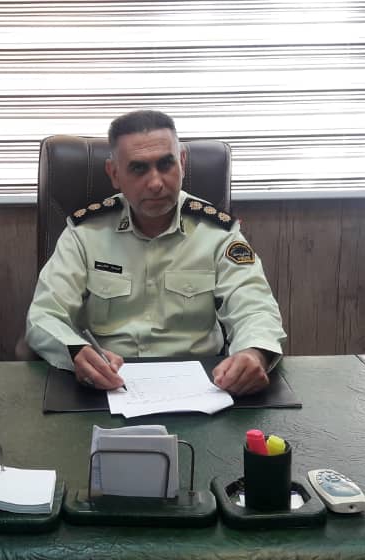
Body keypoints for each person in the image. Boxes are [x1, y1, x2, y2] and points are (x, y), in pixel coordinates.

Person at [25, 110, 287, 395]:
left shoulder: (218, 232)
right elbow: (45, 315)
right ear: (114, 174)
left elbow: (254, 306)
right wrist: (75, 351)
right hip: (108, 385)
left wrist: (253, 353)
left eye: (166, 164)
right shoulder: (85, 233)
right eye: (138, 169)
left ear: (182, 163)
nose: (155, 183)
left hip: (203, 387)